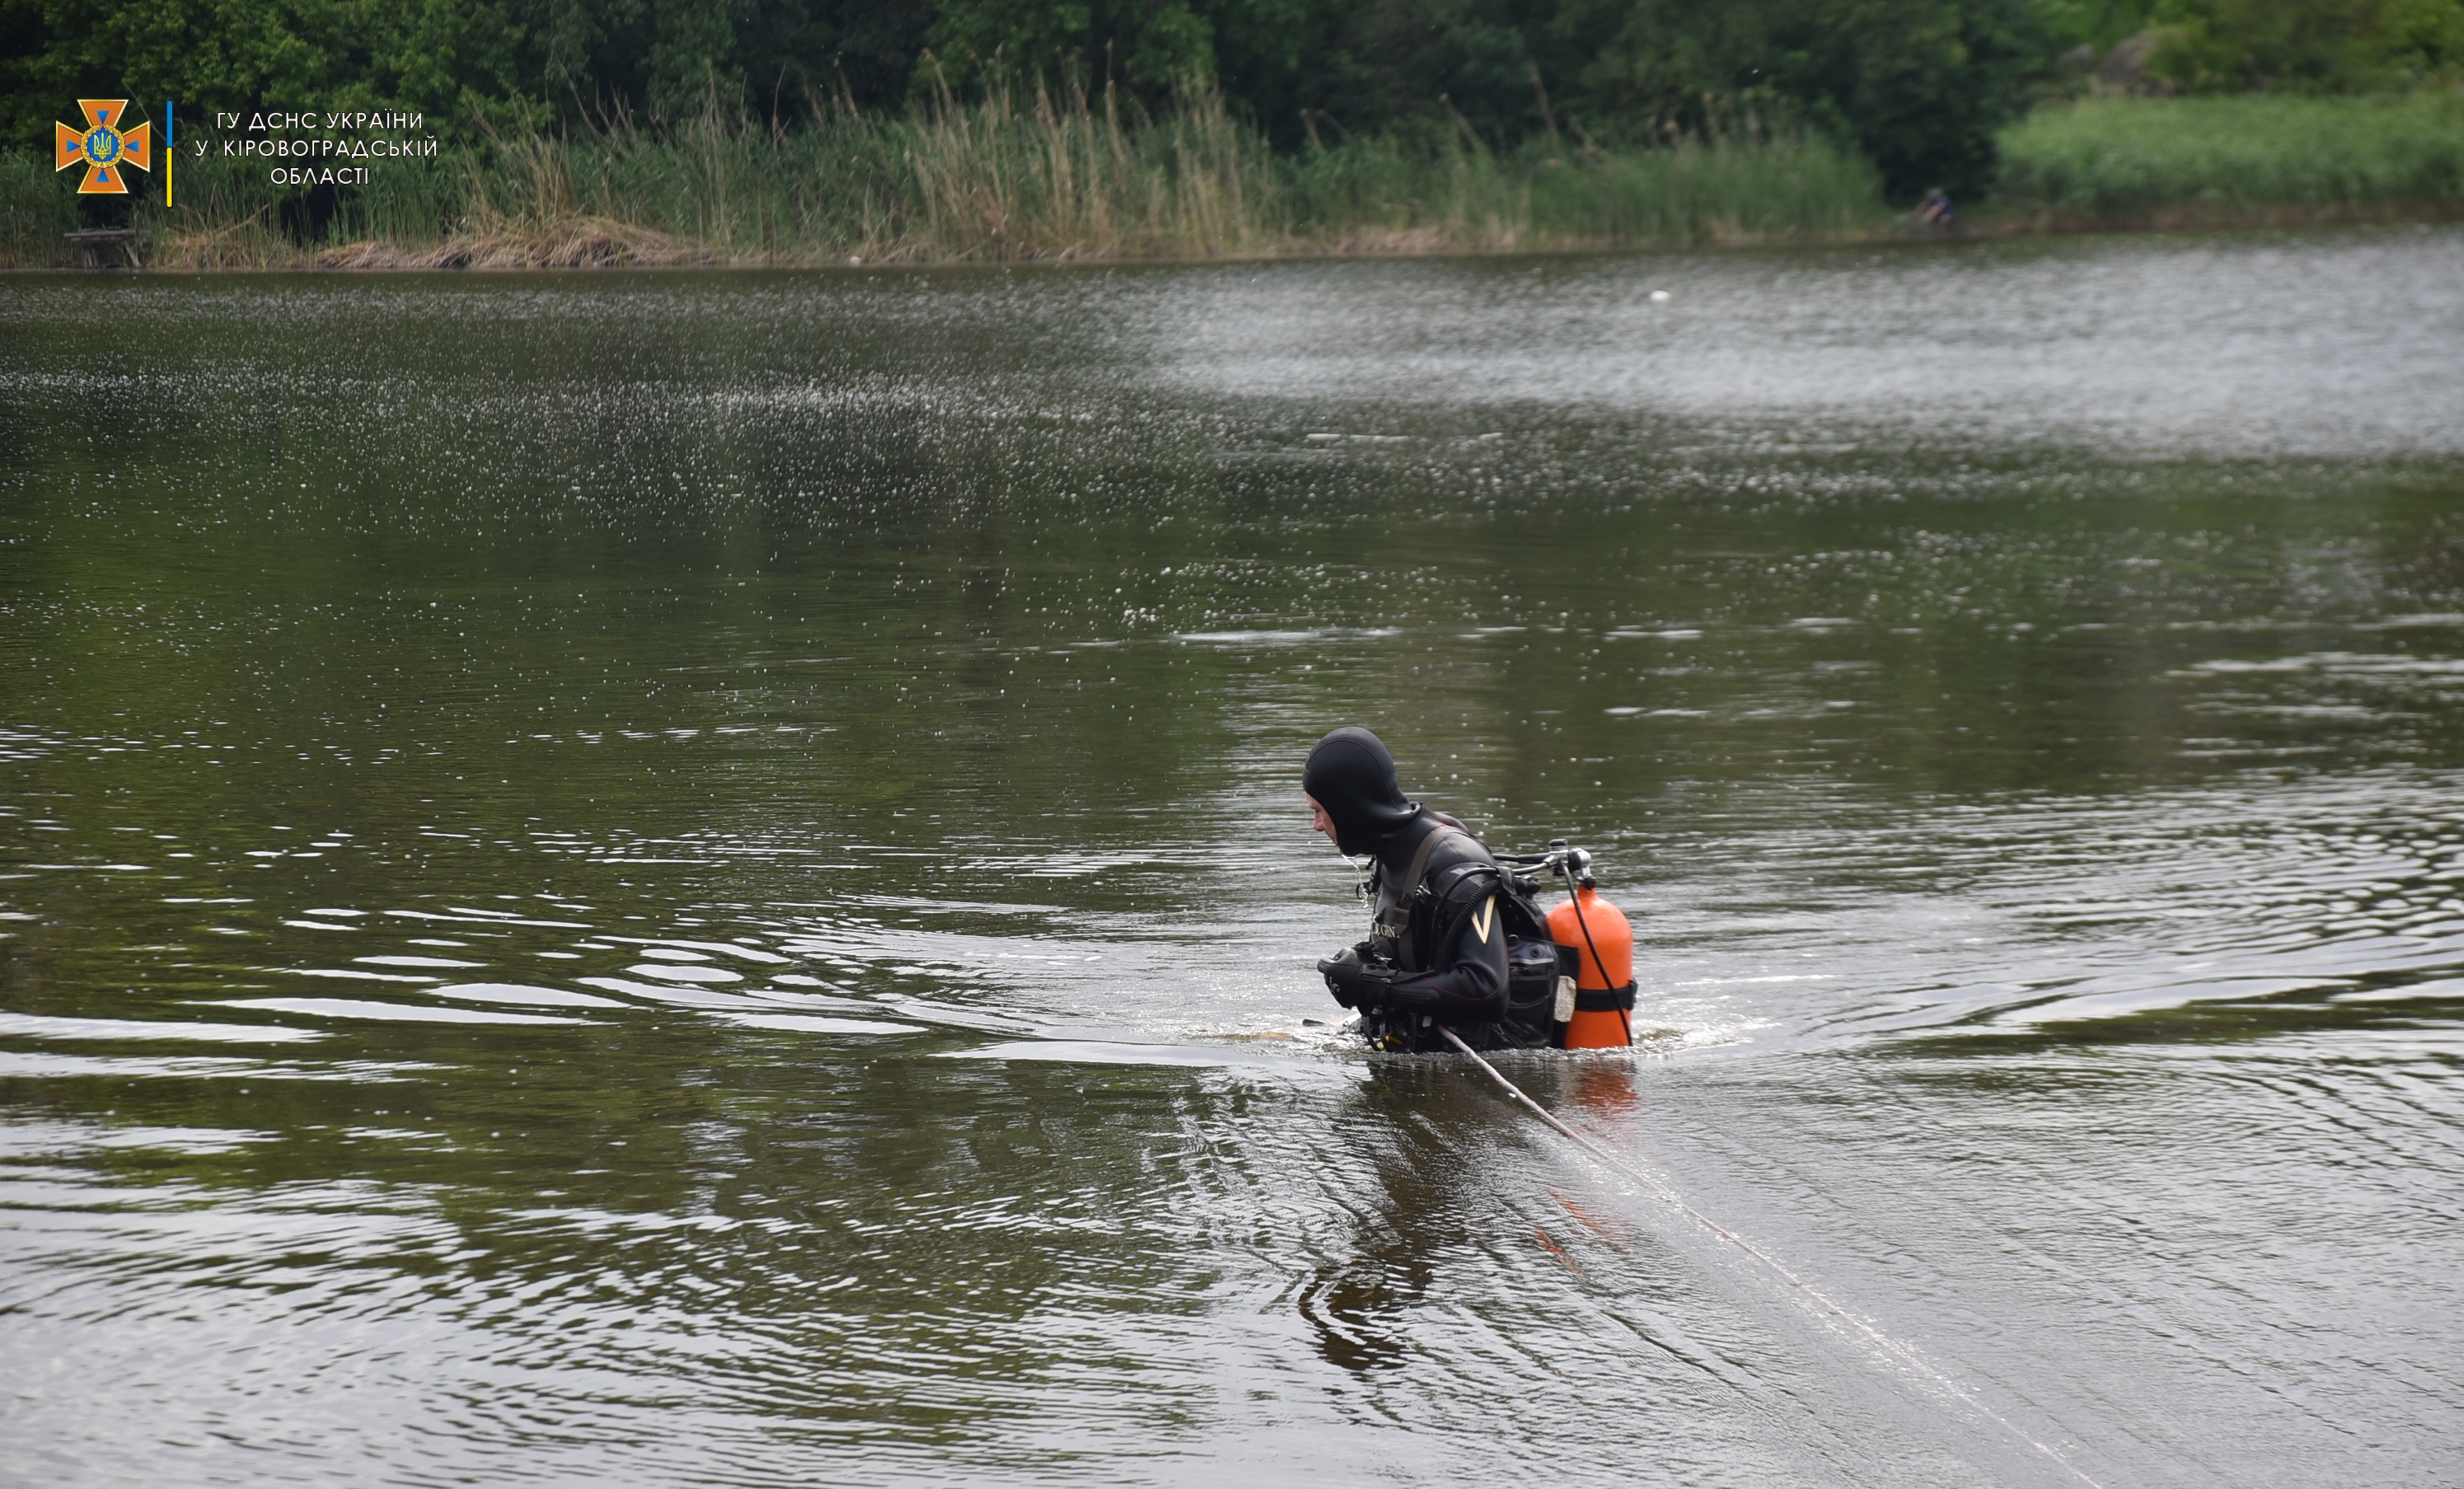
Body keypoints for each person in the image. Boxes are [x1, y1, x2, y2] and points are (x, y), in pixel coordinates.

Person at [1305, 727, 1510, 1051]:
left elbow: (1487, 989)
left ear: (1348, 805)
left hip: (1483, 1063)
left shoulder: (1453, 861)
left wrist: (1371, 982)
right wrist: (1362, 966)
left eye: (1318, 810)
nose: (1316, 825)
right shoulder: (1392, 857)